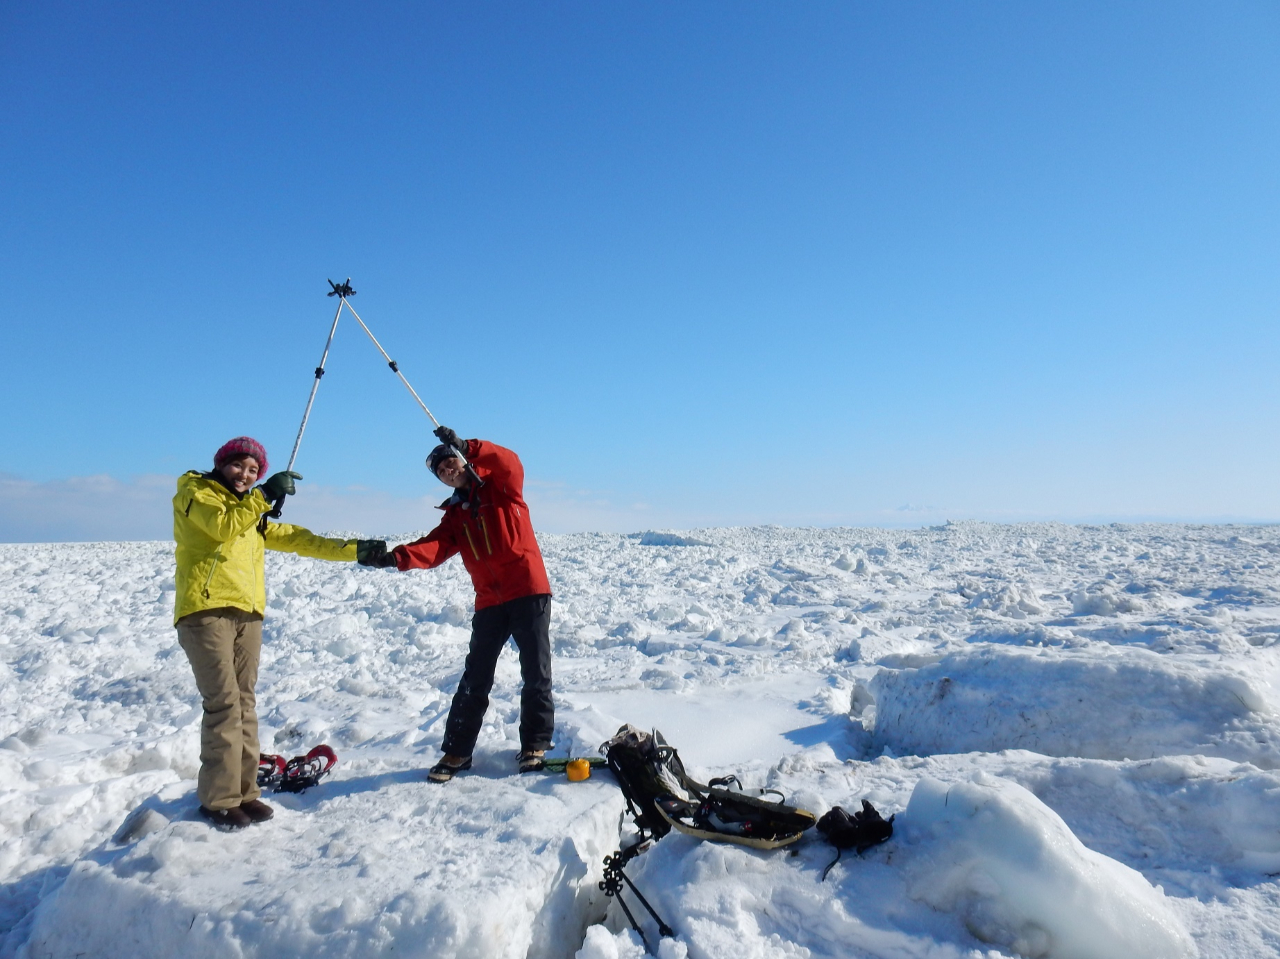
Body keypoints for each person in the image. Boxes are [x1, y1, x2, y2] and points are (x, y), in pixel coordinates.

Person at [173, 436, 386, 829]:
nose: (244, 474)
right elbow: (220, 528)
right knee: (223, 704)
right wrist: (262, 496)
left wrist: (354, 550)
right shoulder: (196, 493)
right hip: (205, 611)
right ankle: (218, 799)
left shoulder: (251, 512)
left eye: (254, 470)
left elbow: (299, 539)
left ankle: (244, 792)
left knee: (244, 704)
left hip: (248, 614)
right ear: (220, 464)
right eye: (238, 465)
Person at [361, 427, 553, 783]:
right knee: (474, 678)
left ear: (464, 461)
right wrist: (394, 558)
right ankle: (458, 751)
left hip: (528, 591)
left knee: (535, 673)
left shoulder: (501, 487)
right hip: (489, 600)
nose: (447, 471)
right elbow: (434, 547)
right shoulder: (456, 516)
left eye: (450, 462)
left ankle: (534, 746)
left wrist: (468, 445)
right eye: (440, 471)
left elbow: (510, 461)